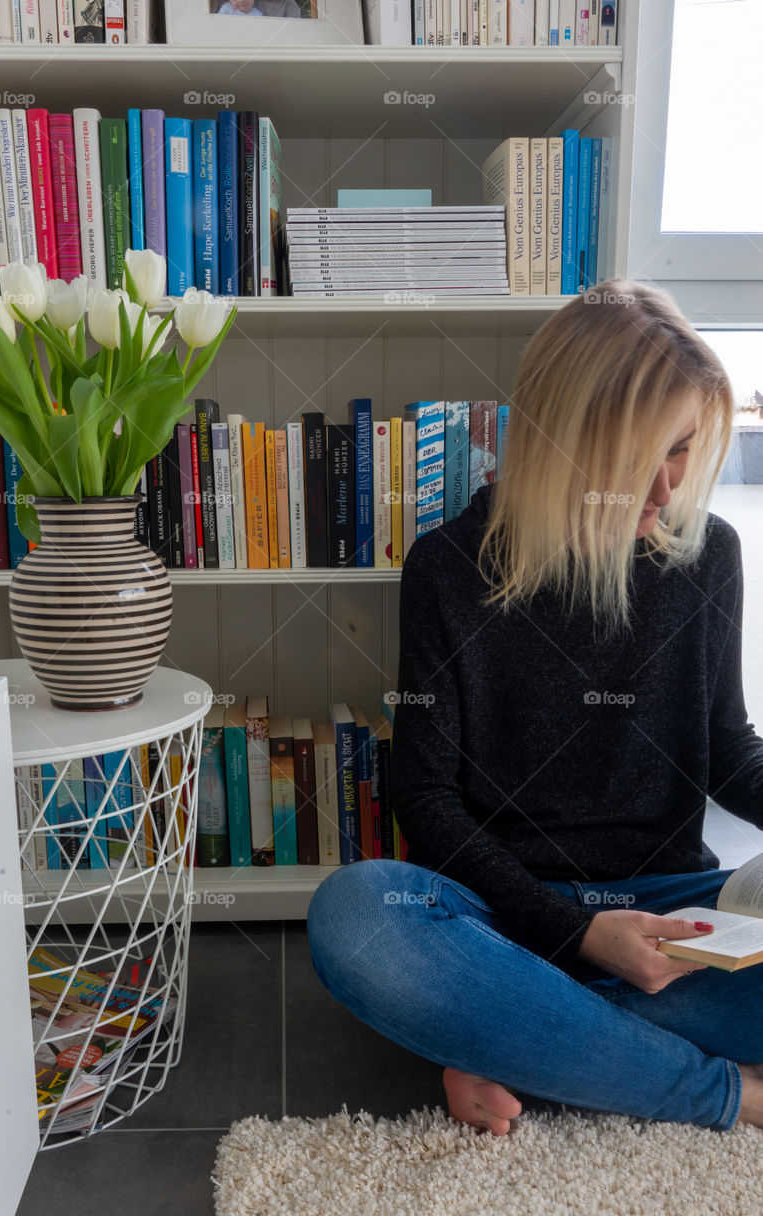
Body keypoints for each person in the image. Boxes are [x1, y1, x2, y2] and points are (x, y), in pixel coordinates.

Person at [306, 278, 763, 1136]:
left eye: (684, 452)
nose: (667, 492)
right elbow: (427, 800)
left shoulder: (708, 558)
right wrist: (580, 935)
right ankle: (724, 1095)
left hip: (672, 914)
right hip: (501, 914)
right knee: (356, 916)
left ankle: (507, 1039)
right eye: (644, 459)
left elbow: (729, 748)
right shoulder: (450, 567)